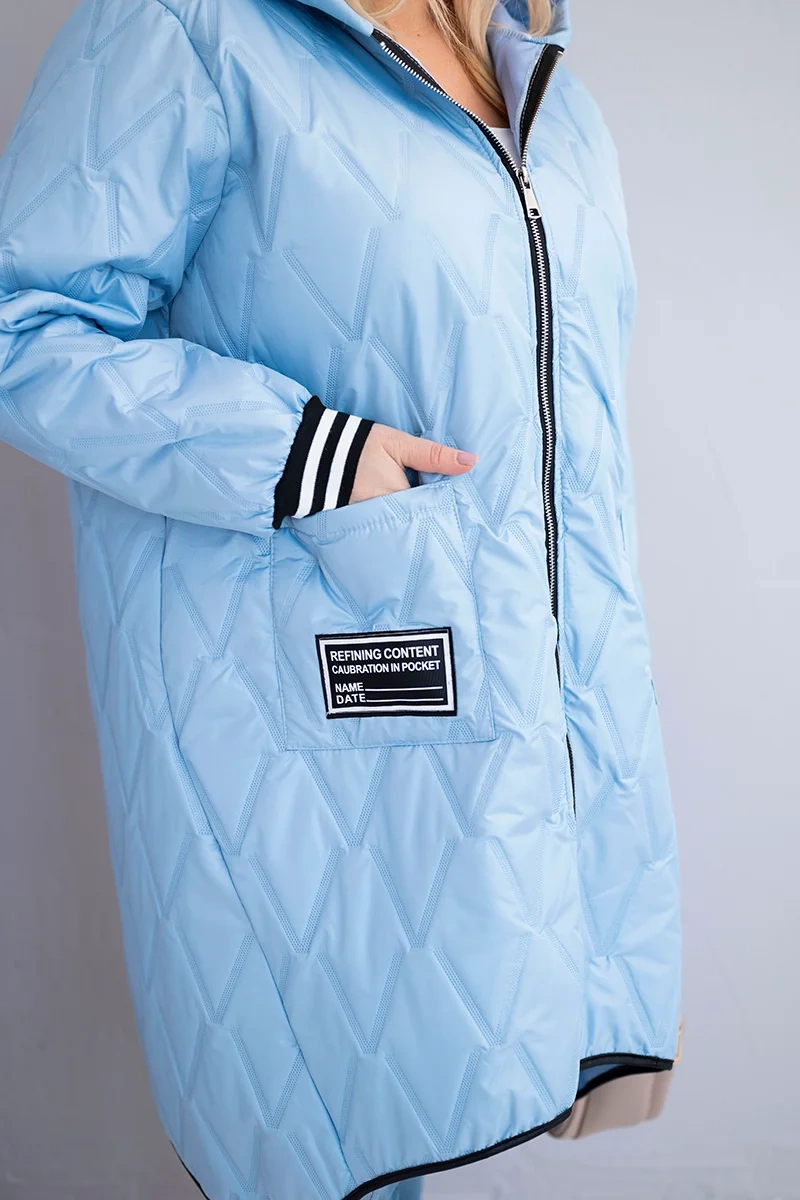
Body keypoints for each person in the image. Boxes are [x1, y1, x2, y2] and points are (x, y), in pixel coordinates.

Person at [0, 0, 681, 1197]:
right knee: (327, 1131)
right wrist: (309, 455)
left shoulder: (540, 79)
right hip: (296, 702)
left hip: (527, 699)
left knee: (445, 1088)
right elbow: (27, 326)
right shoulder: (190, 25)